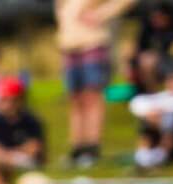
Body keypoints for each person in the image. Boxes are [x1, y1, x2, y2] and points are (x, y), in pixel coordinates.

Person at [58, 0, 139, 168]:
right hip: (68, 46)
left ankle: (92, 147)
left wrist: (102, 14)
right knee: (75, 99)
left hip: (92, 43)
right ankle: (77, 147)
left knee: (92, 97)